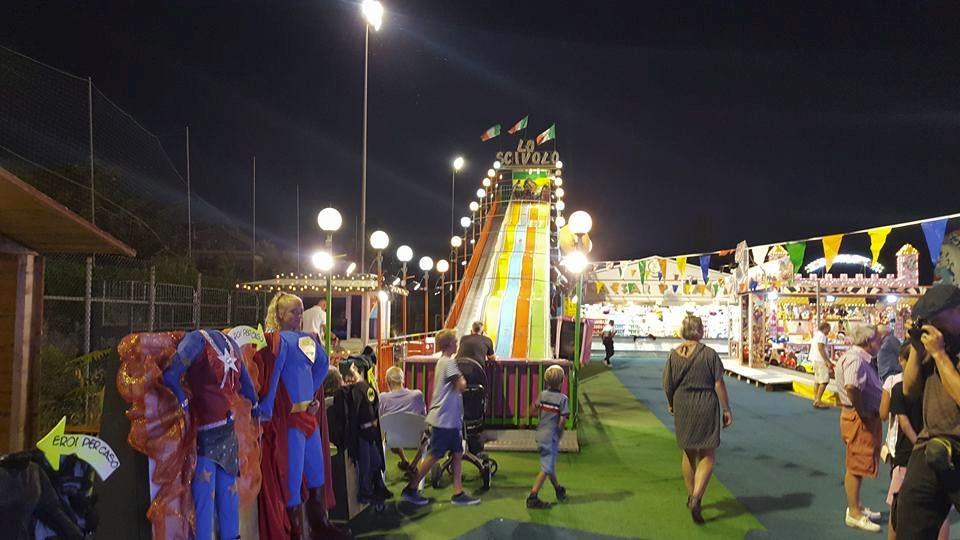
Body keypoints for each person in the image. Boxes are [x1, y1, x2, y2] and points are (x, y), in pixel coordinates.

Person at [256, 292, 349, 540]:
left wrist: (312, 394)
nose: (298, 316)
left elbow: (322, 364)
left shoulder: (304, 340)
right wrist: (268, 406)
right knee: (293, 476)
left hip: (308, 416)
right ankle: (297, 532)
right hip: (291, 421)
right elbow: (274, 376)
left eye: (300, 311)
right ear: (279, 314)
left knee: (316, 471)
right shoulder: (278, 341)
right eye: (293, 312)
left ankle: (319, 525)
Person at [161, 329, 260, 540]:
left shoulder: (196, 341)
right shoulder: (229, 343)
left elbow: (170, 374)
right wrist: (256, 408)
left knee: (208, 496)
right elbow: (249, 391)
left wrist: (183, 401)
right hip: (221, 431)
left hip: (209, 431)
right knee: (224, 494)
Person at [897, 284, 960, 538]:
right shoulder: (936, 345)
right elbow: (909, 390)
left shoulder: (940, 347)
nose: (932, 325)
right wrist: (916, 349)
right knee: (910, 526)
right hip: (930, 447)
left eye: (937, 317)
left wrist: (940, 355)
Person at [662, 314, 733, 524]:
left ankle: (691, 495)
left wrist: (671, 403)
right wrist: (726, 409)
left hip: (683, 405)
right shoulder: (709, 354)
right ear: (700, 330)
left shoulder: (673, 355)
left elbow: (667, 384)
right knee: (708, 454)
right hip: (705, 404)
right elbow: (719, 384)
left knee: (688, 452)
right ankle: (696, 498)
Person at [401, 329, 481, 507]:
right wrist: (463, 379)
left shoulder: (442, 362)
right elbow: (460, 385)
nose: (457, 343)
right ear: (450, 343)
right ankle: (412, 488)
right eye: (455, 340)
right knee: (435, 455)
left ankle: (458, 492)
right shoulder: (449, 363)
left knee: (457, 453)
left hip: (448, 418)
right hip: (445, 419)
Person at [885, 343, 950, 540]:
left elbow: (900, 421)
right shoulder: (928, 384)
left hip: (912, 453)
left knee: (900, 509)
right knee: (936, 511)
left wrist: (919, 445)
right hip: (928, 452)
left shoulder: (900, 387)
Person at [834, 324, 885, 532]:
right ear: (868, 341)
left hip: (860, 417)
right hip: (859, 419)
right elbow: (852, 387)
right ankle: (854, 512)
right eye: (877, 339)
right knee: (856, 465)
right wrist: (862, 411)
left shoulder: (858, 358)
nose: (880, 342)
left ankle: (856, 506)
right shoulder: (855, 360)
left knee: (857, 464)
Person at [527, 365, 570, 509]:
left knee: (549, 464)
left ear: (546, 381)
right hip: (551, 437)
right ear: (562, 381)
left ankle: (558, 488)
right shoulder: (563, 399)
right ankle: (533, 496)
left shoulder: (543, 395)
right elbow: (562, 421)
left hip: (540, 435)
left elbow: (533, 409)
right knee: (546, 468)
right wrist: (560, 434)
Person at [379, 366, 427, 472]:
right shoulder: (417, 395)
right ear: (402, 380)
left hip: (392, 440)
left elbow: (380, 419)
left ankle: (405, 462)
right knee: (426, 438)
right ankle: (412, 465)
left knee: (391, 431)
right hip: (415, 438)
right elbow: (424, 416)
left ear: (388, 382)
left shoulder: (382, 398)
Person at [811, 322, 835, 409]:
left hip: (815, 359)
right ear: (825, 328)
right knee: (824, 381)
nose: (829, 331)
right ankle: (818, 400)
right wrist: (827, 361)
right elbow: (820, 348)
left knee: (817, 380)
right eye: (828, 329)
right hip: (820, 360)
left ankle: (816, 399)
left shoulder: (816, 335)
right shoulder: (822, 336)